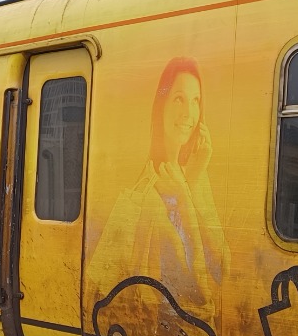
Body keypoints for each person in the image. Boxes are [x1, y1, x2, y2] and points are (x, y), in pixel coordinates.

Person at [88, 57, 224, 317]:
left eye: (196, 101)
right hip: (171, 335)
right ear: (161, 105)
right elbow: (199, 290)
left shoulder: (195, 176)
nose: (189, 114)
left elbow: (222, 267)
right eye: (178, 99)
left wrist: (191, 185)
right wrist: (185, 199)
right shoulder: (147, 194)